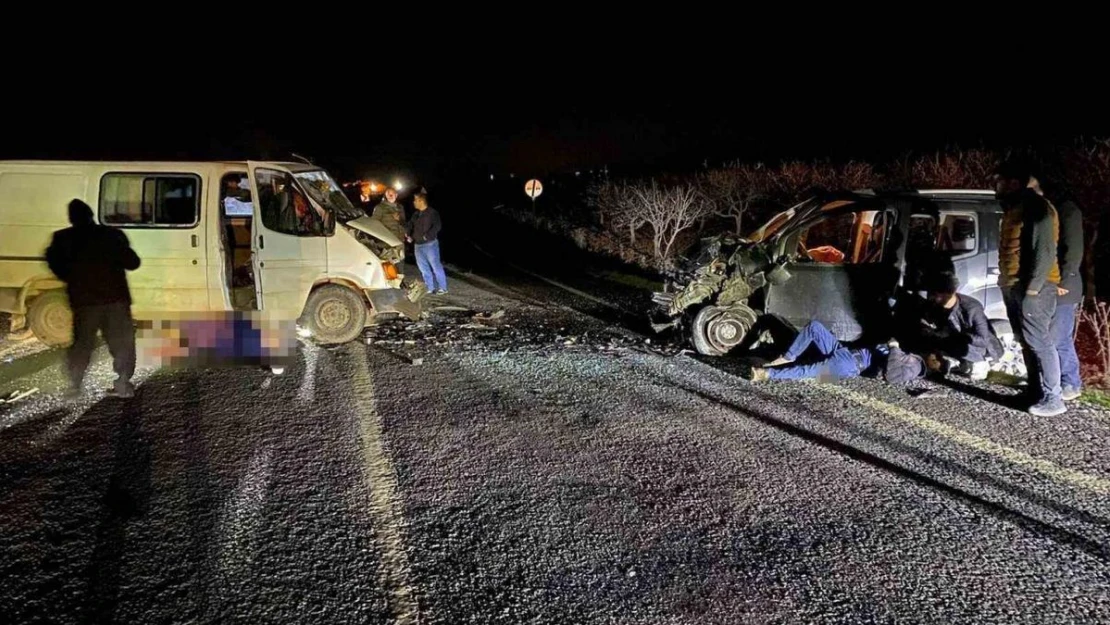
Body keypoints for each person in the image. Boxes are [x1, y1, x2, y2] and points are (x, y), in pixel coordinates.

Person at [46, 199, 142, 398]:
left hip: (84, 301)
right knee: (121, 343)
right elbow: (133, 262)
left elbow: (55, 264)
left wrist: (73, 278)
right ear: (92, 215)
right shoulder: (112, 235)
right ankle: (123, 383)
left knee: (82, 344)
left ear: (72, 218)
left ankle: (75, 386)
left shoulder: (62, 238)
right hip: (115, 299)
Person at [995, 162, 1065, 416]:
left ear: (1014, 182)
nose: (996, 185)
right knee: (1025, 341)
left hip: (1034, 288)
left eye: (1000, 180)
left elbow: (1044, 252)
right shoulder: (1015, 207)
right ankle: (1035, 391)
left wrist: (1033, 290)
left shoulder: (1037, 208)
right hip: (1014, 284)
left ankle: (1053, 397)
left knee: (1039, 341)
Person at [743, 318, 926, 384]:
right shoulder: (910, 355)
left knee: (809, 372)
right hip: (845, 352)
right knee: (814, 327)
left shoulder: (914, 366)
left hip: (848, 366)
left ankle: (765, 374)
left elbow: (893, 377)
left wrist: (894, 348)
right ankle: (788, 357)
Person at [915, 272, 1003, 380]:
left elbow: (984, 340)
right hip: (955, 340)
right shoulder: (937, 305)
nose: (930, 297)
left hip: (979, 348)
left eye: (934, 295)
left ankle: (979, 364)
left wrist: (958, 337)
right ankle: (954, 362)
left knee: (955, 343)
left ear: (947, 294)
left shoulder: (972, 308)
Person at [1048, 192, 1085, 400]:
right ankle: (1056, 378)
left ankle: (1070, 381)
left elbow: (1073, 249)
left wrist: (1065, 279)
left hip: (1064, 287)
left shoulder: (1067, 209)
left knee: (1059, 337)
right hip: (1051, 283)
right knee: (1051, 336)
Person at [406, 192, 448, 294]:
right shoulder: (416, 214)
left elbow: (437, 226)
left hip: (430, 244)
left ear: (421, 201)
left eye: (415, 200)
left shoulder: (432, 213)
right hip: (418, 245)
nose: (414, 202)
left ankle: (443, 287)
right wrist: (409, 235)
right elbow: (410, 225)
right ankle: (430, 287)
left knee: (435, 266)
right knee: (423, 268)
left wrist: (428, 236)